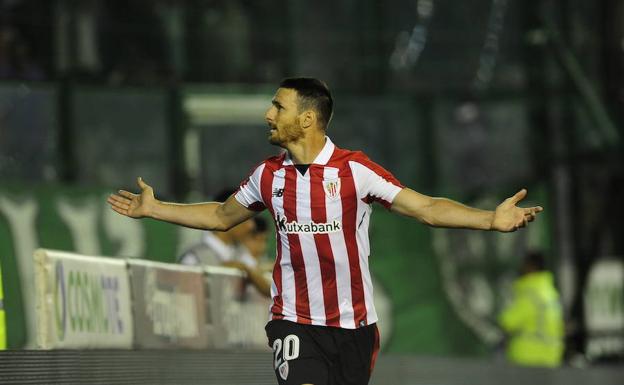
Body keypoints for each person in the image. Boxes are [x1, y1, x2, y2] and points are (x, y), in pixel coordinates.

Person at [107, 77, 543, 385]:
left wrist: (489, 218)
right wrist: (156, 208)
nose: (268, 113)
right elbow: (221, 218)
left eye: (279, 106)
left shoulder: (355, 171)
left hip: (355, 328)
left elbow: (426, 208)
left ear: (308, 118)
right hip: (294, 321)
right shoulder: (267, 176)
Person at [498, 251, 564, 368]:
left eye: (524, 265)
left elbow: (507, 322)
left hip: (529, 358)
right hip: (552, 357)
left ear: (531, 267)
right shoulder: (550, 293)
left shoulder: (531, 294)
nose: (521, 269)